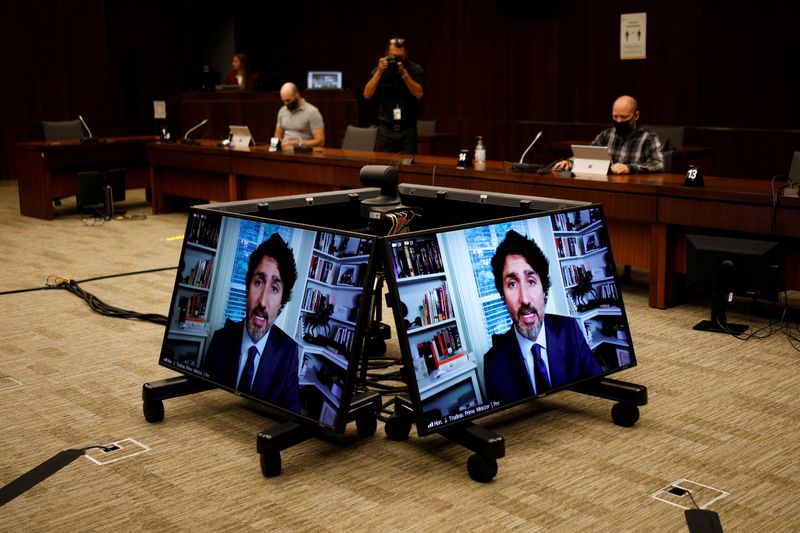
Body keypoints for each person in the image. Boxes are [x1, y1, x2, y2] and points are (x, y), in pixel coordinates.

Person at [483, 230, 602, 405]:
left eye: (531, 281)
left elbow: (599, 388)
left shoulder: (570, 330)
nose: (524, 299)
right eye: (512, 284)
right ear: (503, 296)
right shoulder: (492, 364)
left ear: (543, 289)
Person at [204, 233, 301, 413]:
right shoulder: (220, 339)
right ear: (247, 288)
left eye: (274, 289)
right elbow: (200, 399)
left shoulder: (289, 354)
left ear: (282, 303)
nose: (262, 302)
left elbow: (293, 417)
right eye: (258, 283)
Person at [554, 95, 664, 174]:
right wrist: (569, 162)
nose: (619, 121)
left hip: (634, 189)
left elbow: (659, 164)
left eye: (624, 117)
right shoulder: (606, 135)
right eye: (615, 117)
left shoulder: (648, 138)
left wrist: (630, 168)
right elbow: (588, 154)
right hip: (608, 185)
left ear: (636, 115)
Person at [363, 37, 424, 154]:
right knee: (383, 168)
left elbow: (419, 94)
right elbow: (367, 94)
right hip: (386, 130)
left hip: (408, 130)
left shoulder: (414, 69)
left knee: (408, 168)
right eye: (393, 56)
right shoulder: (380, 70)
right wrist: (379, 72)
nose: (396, 60)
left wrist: (404, 73)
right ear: (386, 55)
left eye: (400, 57)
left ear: (406, 54)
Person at [274, 82, 325, 149]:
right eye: (283, 101)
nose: (286, 104)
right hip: (284, 152)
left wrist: (296, 144)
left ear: (297, 95)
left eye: (288, 100)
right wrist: (274, 149)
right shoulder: (282, 110)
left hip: (304, 153)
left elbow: (320, 141)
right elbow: (277, 136)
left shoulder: (312, 112)